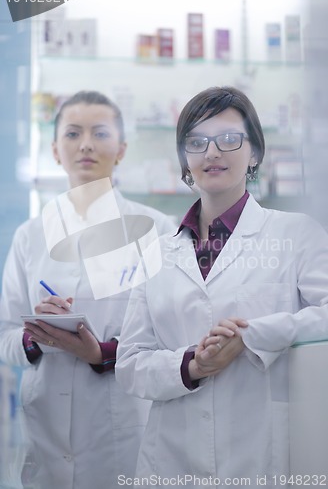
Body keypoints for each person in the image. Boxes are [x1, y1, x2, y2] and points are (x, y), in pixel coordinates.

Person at [116, 86, 328, 488]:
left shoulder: (296, 233)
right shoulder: (156, 253)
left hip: (259, 455)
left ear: (255, 153)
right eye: (197, 142)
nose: (212, 153)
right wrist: (191, 365)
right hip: (170, 460)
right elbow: (130, 365)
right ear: (184, 160)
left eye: (230, 139)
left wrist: (252, 337)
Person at [0, 91, 176, 489]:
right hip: (43, 429)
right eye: (73, 133)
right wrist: (37, 338)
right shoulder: (31, 235)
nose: (86, 144)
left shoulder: (157, 229)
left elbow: (171, 335)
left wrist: (101, 353)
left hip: (122, 425)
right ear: (55, 150)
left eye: (100, 133)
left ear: (122, 148)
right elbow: (4, 333)